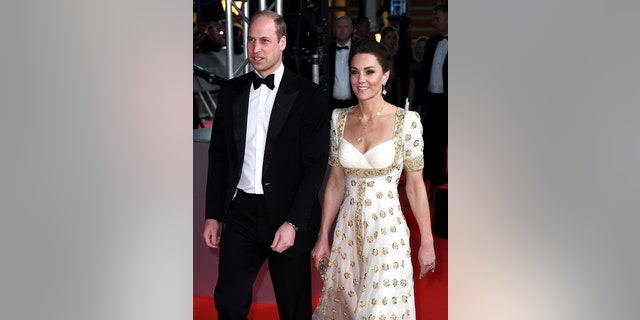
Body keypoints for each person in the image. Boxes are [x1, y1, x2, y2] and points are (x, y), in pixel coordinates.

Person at [203, 10, 330, 320]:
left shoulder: (308, 95)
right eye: (250, 41)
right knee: (229, 304)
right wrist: (213, 215)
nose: (255, 49)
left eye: (264, 41)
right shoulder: (232, 92)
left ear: (282, 43)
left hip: (287, 215)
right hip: (241, 214)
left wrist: (294, 223)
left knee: (293, 309)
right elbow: (219, 157)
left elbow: (314, 167)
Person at [311, 39, 436, 320]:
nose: (361, 80)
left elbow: (415, 187)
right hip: (347, 232)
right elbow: (334, 183)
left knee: (379, 312)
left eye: (369, 71)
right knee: (345, 307)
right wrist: (323, 236)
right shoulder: (338, 119)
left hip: (387, 230)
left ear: (386, 74)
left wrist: (426, 241)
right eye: (354, 72)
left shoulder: (408, 121)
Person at [412, 4, 448, 194]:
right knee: (433, 143)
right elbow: (424, 74)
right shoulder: (433, 41)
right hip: (433, 100)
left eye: (438, 18)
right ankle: (436, 183)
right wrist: (418, 101)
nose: (434, 22)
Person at [328, 16, 358, 113]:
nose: (342, 30)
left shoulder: (358, 49)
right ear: (333, 30)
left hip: (355, 103)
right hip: (331, 104)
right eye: (338, 27)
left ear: (351, 29)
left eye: (345, 27)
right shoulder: (327, 50)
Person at [407, 36, 428, 107]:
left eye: (425, 47)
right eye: (420, 48)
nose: (422, 50)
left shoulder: (432, 66)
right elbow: (411, 86)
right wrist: (410, 104)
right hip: (417, 97)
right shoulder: (414, 66)